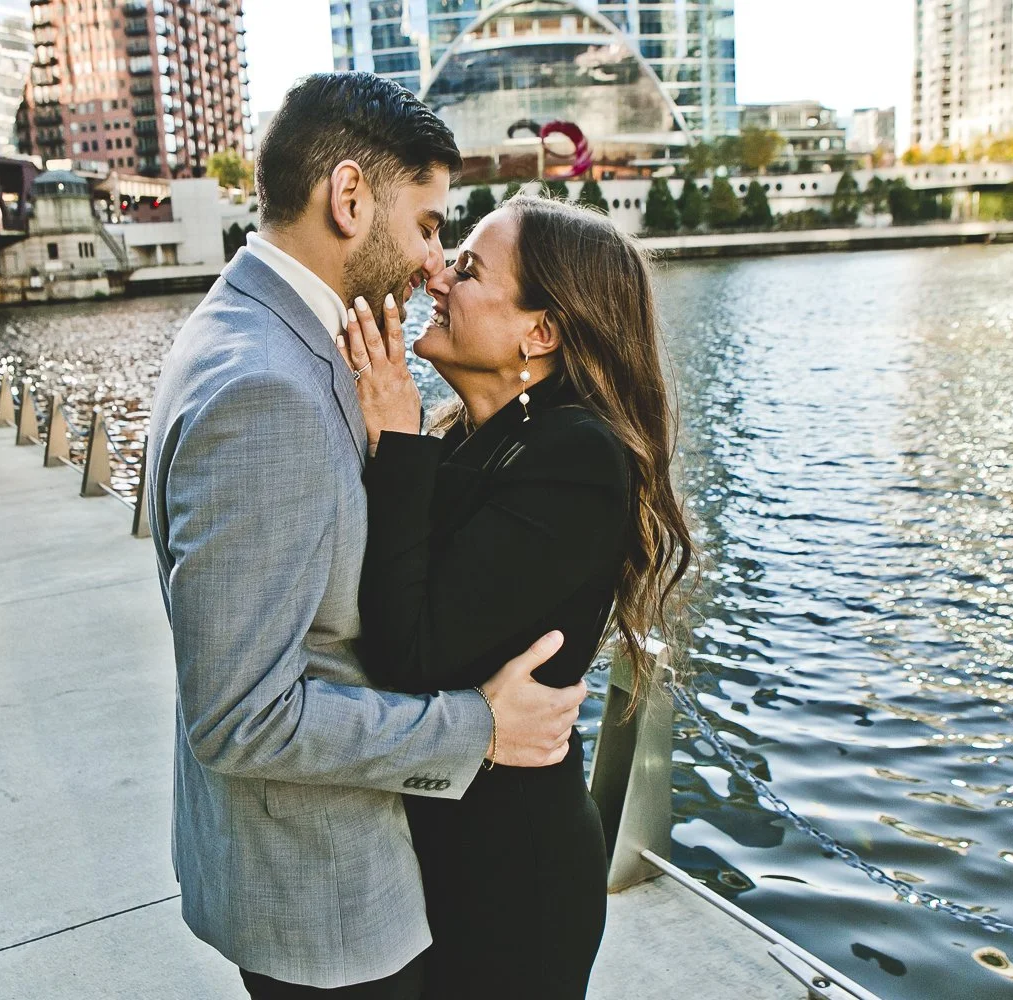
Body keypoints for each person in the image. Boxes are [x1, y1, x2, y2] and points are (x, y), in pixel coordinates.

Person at [143, 74, 588, 1000]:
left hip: (316, 877)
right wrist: (481, 727)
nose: (435, 264)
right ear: (350, 198)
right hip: (326, 905)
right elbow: (239, 716)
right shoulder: (266, 388)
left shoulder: (255, 333)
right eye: (428, 225)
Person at [337, 195, 694, 998]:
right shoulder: (465, 435)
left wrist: (393, 444)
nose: (438, 276)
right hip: (441, 854)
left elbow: (408, 651)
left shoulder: (577, 456)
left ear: (540, 332)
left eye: (467, 269)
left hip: (512, 885)